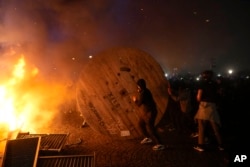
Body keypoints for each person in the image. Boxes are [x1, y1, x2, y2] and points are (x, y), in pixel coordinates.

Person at [193, 70, 224, 152]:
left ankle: (201, 145)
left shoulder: (202, 84)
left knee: (201, 127)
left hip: (204, 106)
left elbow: (199, 97)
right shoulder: (215, 84)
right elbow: (220, 94)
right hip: (213, 106)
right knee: (215, 127)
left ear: (203, 76)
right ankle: (221, 145)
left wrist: (199, 99)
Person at [132, 78, 165, 151]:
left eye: (138, 86)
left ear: (140, 86)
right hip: (146, 112)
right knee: (141, 124)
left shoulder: (144, 93)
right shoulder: (145, 91)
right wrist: (140, 92)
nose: (137, 87)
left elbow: (139, 104)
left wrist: (135, 100)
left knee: (151, 128)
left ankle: (160, 144)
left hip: (150, 112)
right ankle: (148, 138)